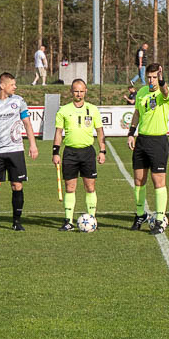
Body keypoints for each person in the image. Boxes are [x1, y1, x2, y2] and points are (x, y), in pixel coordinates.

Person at [0, 72, 38, 231]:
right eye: (12, 84)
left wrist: (33, 145)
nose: (15, 87)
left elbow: (27, 123)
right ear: (2, 85)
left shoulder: (19, 101)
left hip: (15, 150)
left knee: (17, 185)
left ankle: (16, 222)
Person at [54, 78, 106, 230]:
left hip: (87, 152)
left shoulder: (93, 109)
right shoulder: (64, 110)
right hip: (70, 152)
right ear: (71, 91)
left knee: (90, 186)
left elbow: (100, 131)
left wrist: (102, 150)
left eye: (81, 91)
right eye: (76, 91)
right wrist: (55, 152)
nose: (79, 94)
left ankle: (92, 219)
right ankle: (68, 221)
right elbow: (58, 133)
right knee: (70, 187)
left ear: (86, 91)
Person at [128, 63, 169, 231]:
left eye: (154, 77)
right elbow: (137, 113)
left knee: (158, 180)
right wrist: (131, 133)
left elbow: (166, 92)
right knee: (139, 180)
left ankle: (160, 219)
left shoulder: (165, 92)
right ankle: (140, 214)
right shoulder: (141, 92)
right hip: (142, 140)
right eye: (149, 77)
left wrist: (162, 80)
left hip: (158, 142)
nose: (151, 80)